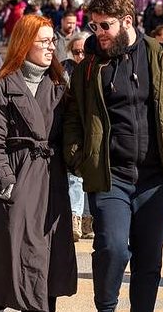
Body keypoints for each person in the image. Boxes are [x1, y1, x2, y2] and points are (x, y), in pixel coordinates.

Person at [63, 0, 163, 312]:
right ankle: (106, 307)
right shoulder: (90, 67)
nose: (99, 33)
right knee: (113, 248)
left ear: (127, 21)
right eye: (94, 26)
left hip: (154, 180)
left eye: (106, 25)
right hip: (110, 177)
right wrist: (78, 157)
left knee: (149, 259)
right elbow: (73, 116)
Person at [0, 15, 77, 312]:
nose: (51, 47)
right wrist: (5, 181)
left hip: (51, 180)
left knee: (49, 255)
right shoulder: (4, 85)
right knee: (12, 252)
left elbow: (72, 132)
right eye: (44, 41)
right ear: (25, 44)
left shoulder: (60, 85)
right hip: (17, 178)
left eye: (53, 41)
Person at [62, 34, 94, 242]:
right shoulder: (64, 72)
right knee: (74, 176)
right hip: (72, 130)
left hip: (92, 131)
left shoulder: (97, 68)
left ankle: (87, 220)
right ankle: (75, 217)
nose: (80, 55)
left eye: (84, 51)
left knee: (90, 177)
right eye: (76, 52)